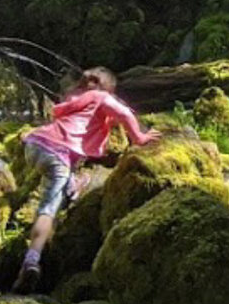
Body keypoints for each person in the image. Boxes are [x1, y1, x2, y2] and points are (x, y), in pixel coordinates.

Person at [15, 68, 151, 291]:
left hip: (34, 145)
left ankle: (69, 186)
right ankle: (31, 260)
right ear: (107, 89)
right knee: (47, 210)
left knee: (61, 177)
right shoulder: (100, 97)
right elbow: (125, 114)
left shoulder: (74, 99)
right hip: (57, 155)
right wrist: (139, 137)